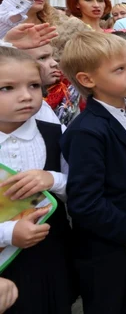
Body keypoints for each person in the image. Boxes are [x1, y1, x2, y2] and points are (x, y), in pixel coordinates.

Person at [60, 32, 126, 314]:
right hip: (105, 246)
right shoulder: (88, 131)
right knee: (108, 305)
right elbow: (85, 201)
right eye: (120, 69)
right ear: (87, 80)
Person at [0, 47, 74, 314]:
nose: (25, 96)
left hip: (50, 255)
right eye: (7, 88)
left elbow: (81, 188)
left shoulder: (57, 133)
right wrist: (9, 234)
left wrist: (52, 179)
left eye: (33, 85)